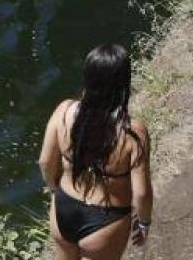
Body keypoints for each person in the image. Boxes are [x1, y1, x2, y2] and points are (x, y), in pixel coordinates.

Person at [38, 44, 152, 260]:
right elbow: (142, 193)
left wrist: (55, 192)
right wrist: (144, 223)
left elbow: (45, 162)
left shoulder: (64, 111)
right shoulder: (133, 132)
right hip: (106, 220)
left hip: (63, 209)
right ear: (123, 82)